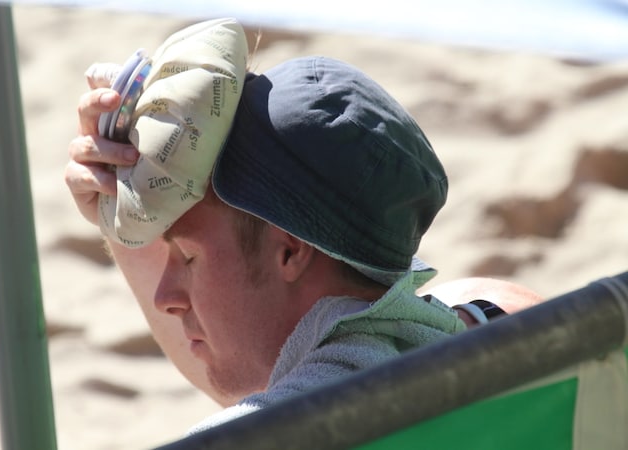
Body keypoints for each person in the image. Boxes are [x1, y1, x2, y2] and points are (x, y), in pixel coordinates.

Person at [66, 55, 542, 427]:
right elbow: (250, 360)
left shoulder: (283, 431)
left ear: (291, 250)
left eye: (188, 256)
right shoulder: (516, 323)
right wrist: (127, 224)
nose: (165, 297)